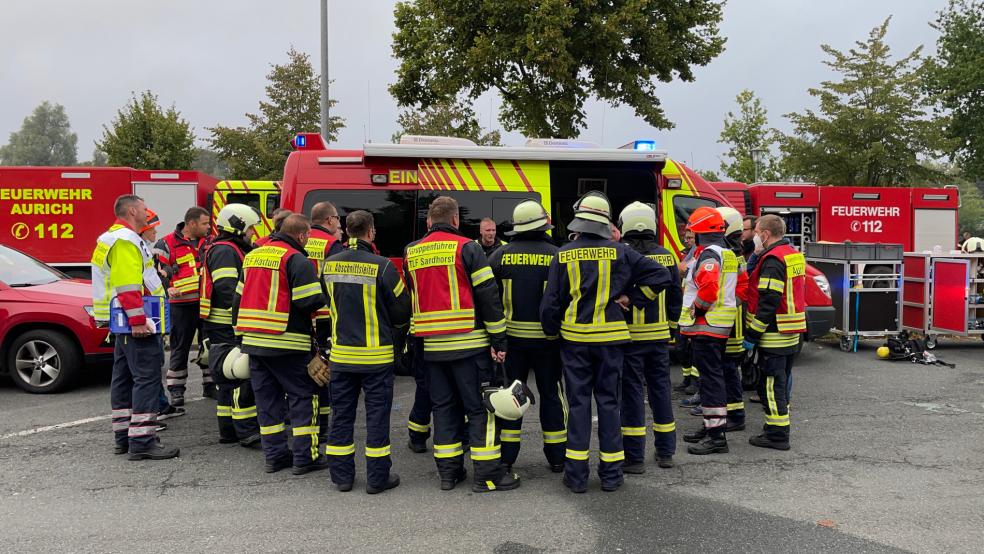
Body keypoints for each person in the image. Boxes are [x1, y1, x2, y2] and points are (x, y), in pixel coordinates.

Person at [541, 191, 672, 493]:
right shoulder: (622, 252)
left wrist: (552, 333)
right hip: (612, 342)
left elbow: (551, 304)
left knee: (578, 406)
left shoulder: (563, 253)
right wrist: (633, 298)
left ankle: (575, 477)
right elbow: (662, 276)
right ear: (604, 222)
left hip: (574, 341)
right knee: (610, 404)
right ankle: (611, 475)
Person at [403, 196, 517, 493]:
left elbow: (411, 298)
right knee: (480, 410)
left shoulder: (411, 252)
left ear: (430, 220)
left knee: (443, 409)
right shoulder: (469, 247)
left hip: (430, 348)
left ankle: (449, 474)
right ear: (455, 220)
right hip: (469, 344)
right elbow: (488, 296)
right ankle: (488, 475)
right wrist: (499, 338)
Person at [321, 210, 412, 494]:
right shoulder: (383, 266)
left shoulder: (328, 265)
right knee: (376, 418)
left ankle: (342, 478)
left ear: (347, 231)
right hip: (377, 357)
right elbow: (402, 310)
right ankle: (377, 478)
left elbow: (327, 302)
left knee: (342, 416)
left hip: (343, 357)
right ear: (370, 232)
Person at [234, 214, 328, 474]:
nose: (308, 240)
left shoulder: (253, 256)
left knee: (267, 402)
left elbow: (237, 300)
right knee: (303, 398)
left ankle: (275, 456)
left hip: (254, 342)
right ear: (301, 235)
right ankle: (304, 458)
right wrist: (323, 293)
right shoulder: (296, 259)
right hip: (287, 342)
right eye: (307, 235)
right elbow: (308, 301)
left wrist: (238, 337)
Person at [92, 194, 178, 460]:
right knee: (146, 378)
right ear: (131, 211)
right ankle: (142, 441)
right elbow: (128, 284)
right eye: (143, 208)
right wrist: (138, 320)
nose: (147, 212)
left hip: (120, 323)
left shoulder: (111, 238)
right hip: (135, 323)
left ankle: (124, 437)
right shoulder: (126, 241)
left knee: (123, 378)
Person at [488, 200, 566, 474]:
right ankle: (557, 457)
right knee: (551, 395)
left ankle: (507, 457)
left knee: (511, 396)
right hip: (549, 342)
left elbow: (488, 299)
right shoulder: (558, 255)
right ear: (542, 224)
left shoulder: (499, 256)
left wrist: (494, 340)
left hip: (512, 344)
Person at [616, 202, 682, 472]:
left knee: (632, 396)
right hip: (659, 339)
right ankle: (665, 452)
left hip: (630, 339)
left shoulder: (623, 256)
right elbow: (676, 298)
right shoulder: (668, 256)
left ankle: (634, 458)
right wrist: (674, 331)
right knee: (661, 393)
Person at [200, 204, 262, 448]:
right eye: (250, 229)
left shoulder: (225, 248)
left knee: (226, 380)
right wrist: (244, 318)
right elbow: (227, 290)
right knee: (239, 377)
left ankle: (228, 431)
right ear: (238, 227)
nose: (252, 234)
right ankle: (246, 432)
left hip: (221, 325)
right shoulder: (226, 251)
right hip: (228, 325)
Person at [678, 207, 739, 456]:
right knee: (711, 378)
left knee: (711, 380)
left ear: (698, 231)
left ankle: (716, 437)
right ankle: (711, 426)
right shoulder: (727, 253)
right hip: (718, 326)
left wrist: (697, 309)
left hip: (708, 326)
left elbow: (709, 289)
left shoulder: (709, 256)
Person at [743, 214, 806, 450]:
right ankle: (775, 427)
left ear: (765, 234)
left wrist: (752, 335)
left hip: (774, 333)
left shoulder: (772, 260)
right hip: (790, 330)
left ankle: (777, 435)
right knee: (780, 382)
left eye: (757, 232)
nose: (755, 237)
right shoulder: (792, 254)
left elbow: (769, 301)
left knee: (771, 385)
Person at [158, 206, 212, 405]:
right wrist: (168, 288)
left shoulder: (210, 242)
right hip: (181, 306)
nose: (208, 227)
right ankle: (177, 390)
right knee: (180, 348)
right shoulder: (166, 243)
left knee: (208, 346)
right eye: (205, 223)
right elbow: (157, 272)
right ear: (191, 224)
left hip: (205, 304)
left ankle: (210, 385)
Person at [138, 209, 184, 423]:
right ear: (144, 228)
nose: (156, 231)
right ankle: (152, 414)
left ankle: (161, 406)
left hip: (150, 315)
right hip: (144, 318)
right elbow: (143, 283)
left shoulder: (142, 248)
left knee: (151, 366)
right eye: (152, 227)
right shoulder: (136, 248)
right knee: (148, 370)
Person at [307, 201, 346, 443]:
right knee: (325, 371)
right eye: (338, 220)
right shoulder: (332, 244)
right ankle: (323, 427)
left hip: (301, 316)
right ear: (329, 220)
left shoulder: (298, 238)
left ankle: (313, 425)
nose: (340, 224)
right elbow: (336, 282)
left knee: (308, 370)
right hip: (324, 316)